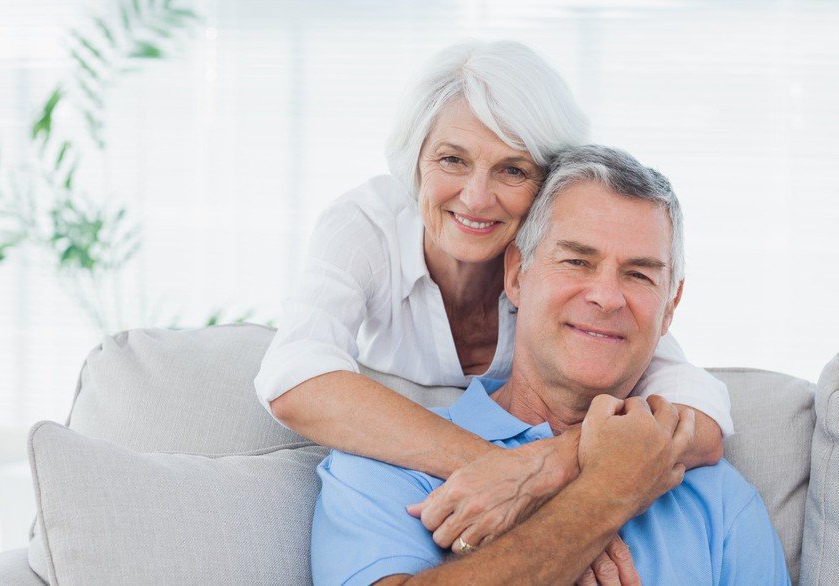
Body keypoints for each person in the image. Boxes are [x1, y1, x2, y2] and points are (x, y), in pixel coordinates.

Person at [255, 40, 733, 551]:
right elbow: (293, 376)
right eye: (452, 160)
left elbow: (698, 414)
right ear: (415, 161)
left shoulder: (563, 280)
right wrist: (511, 476)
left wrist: (546, 466)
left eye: (512, 170)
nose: (477, 197)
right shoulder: (366, 227)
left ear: (549, 186)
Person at [311, 146, 790, 585]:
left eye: (639, 274)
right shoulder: (387, 464)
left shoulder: (719, 497)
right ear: (517, 274)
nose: (606, 296)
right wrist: (605, 495)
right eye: (577, 262)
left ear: (670, 306)